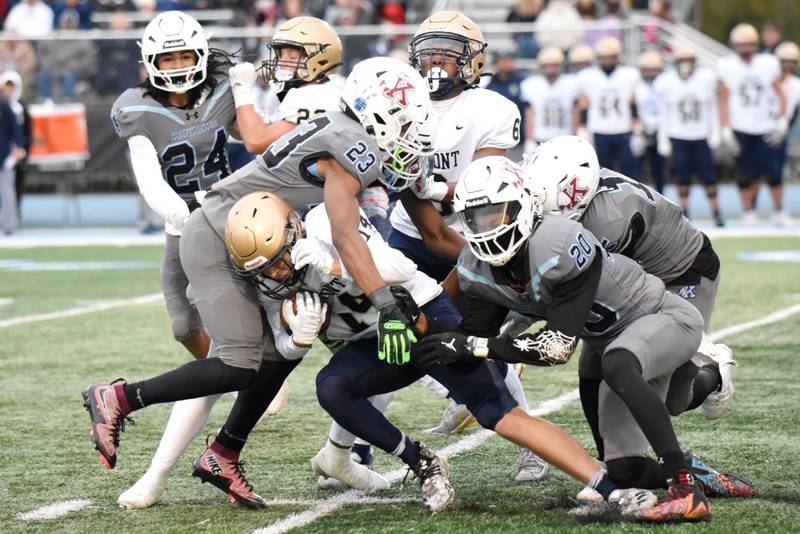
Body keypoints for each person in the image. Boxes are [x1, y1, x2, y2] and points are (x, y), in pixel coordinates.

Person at [82, 57, 438, 505]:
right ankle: (119, 397)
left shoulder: (340, 127)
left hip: (256, 238)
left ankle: (224, 454)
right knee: (236, 362)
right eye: (404, 122)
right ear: (379, 113)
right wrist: (386, 304)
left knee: (276, 354)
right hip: (219, 234)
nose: (407, 133)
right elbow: (347, 236)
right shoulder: (351, 144)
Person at [220, 194, 660, 517]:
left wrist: (336, 265)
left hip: (424, 320)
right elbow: (278, 344)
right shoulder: (265, 282)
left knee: (498, 413)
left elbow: (401, 269)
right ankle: (423, 462)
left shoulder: (324, 226)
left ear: (294, 232)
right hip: (375, 347)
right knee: (331, 388)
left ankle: (609, 486)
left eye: (278, 261)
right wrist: (296, 340)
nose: (277, 275)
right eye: (264, 270)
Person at [416, 156, 715, 523]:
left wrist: (473, 347)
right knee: (623, 470)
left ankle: (685, 487)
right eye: (477, 219)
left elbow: (557, 347)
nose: (487, 228)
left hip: (662, 318)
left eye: (496, 215)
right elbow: (471, 335)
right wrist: (424, 330)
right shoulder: (475, 267)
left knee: (618, 366)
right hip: (611, 340)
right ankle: (697, 473)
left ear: (523, 206)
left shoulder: (557, 241)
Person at [525, 135, 755, 505]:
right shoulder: (578, 195)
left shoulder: (607, 219)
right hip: (638, 274)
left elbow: (595, 284)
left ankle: (713, 373)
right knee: (595, 362)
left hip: (684, 273)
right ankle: (609, 464)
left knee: (665, 398)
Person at [385, 11, 546, 481]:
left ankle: (529, 445)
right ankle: (354, 448)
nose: (436, 62)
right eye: (429, 51)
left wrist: (433, 189)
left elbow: (483, 183)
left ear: (470, 63)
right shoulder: (399, 103)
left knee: (477, 340)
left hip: (476, 234)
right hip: (409, 233)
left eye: (448, 53)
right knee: (388, 335)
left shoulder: (492, 109)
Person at [717, 23, 787, 226]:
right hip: (740, 126)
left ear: (755, 44)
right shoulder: (727, 65)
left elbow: (780, 93)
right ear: (734, 45)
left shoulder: (768, 62)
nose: (745, 49)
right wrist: (725, 128)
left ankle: (779, 210)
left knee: (773, 172)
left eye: (748, 44)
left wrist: (781, 120)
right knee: (745, 173)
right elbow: (723, 97)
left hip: (765, 125)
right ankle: (748, 212)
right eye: (741, 45)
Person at [655, 46, 723, 224]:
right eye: (682, 61)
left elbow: (712, 107)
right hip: (678, 135)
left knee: (709, 177)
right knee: (682, 177)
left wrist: (715, 131)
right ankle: (685, 212)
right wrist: (663, 138)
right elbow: (664, 112)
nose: (685, 65)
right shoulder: (667, 82)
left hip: (700, 135)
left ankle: (717, 212)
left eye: (689, 60)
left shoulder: (705, 79)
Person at [574, 36, 640, 179]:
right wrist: (582, 128)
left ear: (617, 57)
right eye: (604, 57)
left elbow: (633, 102)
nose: (607, 60)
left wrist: (637, 129)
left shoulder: (629, 75)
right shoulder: (587, 76)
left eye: (611, 57)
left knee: (628, 172)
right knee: (602, 172)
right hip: (600, 129)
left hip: (623, 129)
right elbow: (584, 104)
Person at [520, 47, 579, 154]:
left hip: (564, 138)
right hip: (540, 137)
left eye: (554, 65)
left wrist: (576, 135)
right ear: (542, 66)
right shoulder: (531, 84)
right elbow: (529, 114)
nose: (551, 69)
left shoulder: (571, 83)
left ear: (560, 66)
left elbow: (575, 112)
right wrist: (529, 139)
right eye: (548, 65)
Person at [767, 41, 800, 226]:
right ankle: (752, 211)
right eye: (784, 61)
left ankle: (778, 209)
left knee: (776, 171)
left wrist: (784, 126)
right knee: (753, 173)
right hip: (761, 128)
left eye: (791, 61)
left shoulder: (796, 84)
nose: (787, 65)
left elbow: (794, 110)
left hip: (781, 130)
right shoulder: (767, 79)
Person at [634, 50, 665, 194]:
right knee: (637, 170)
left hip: (660, 130)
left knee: (659, 169)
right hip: (642, 130)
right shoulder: (637, 85)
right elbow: (632, 106)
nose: (650, 73)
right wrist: (637, 128)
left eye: (653, 69)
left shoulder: (665, 83)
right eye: (647, 70)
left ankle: (661, 197)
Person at [0, 70, 30, 216]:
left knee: (13, 187)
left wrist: (21, 150)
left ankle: (12, 217)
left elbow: (24, 132)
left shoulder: (21, 107)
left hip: (14, 154)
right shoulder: (3, 104)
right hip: (3, 152)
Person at [0, 81, 21, 234]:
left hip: (3, 154)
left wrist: (16, 149)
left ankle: (9, 224)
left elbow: (15, 128)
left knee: (7, 191)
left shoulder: (4, 104)